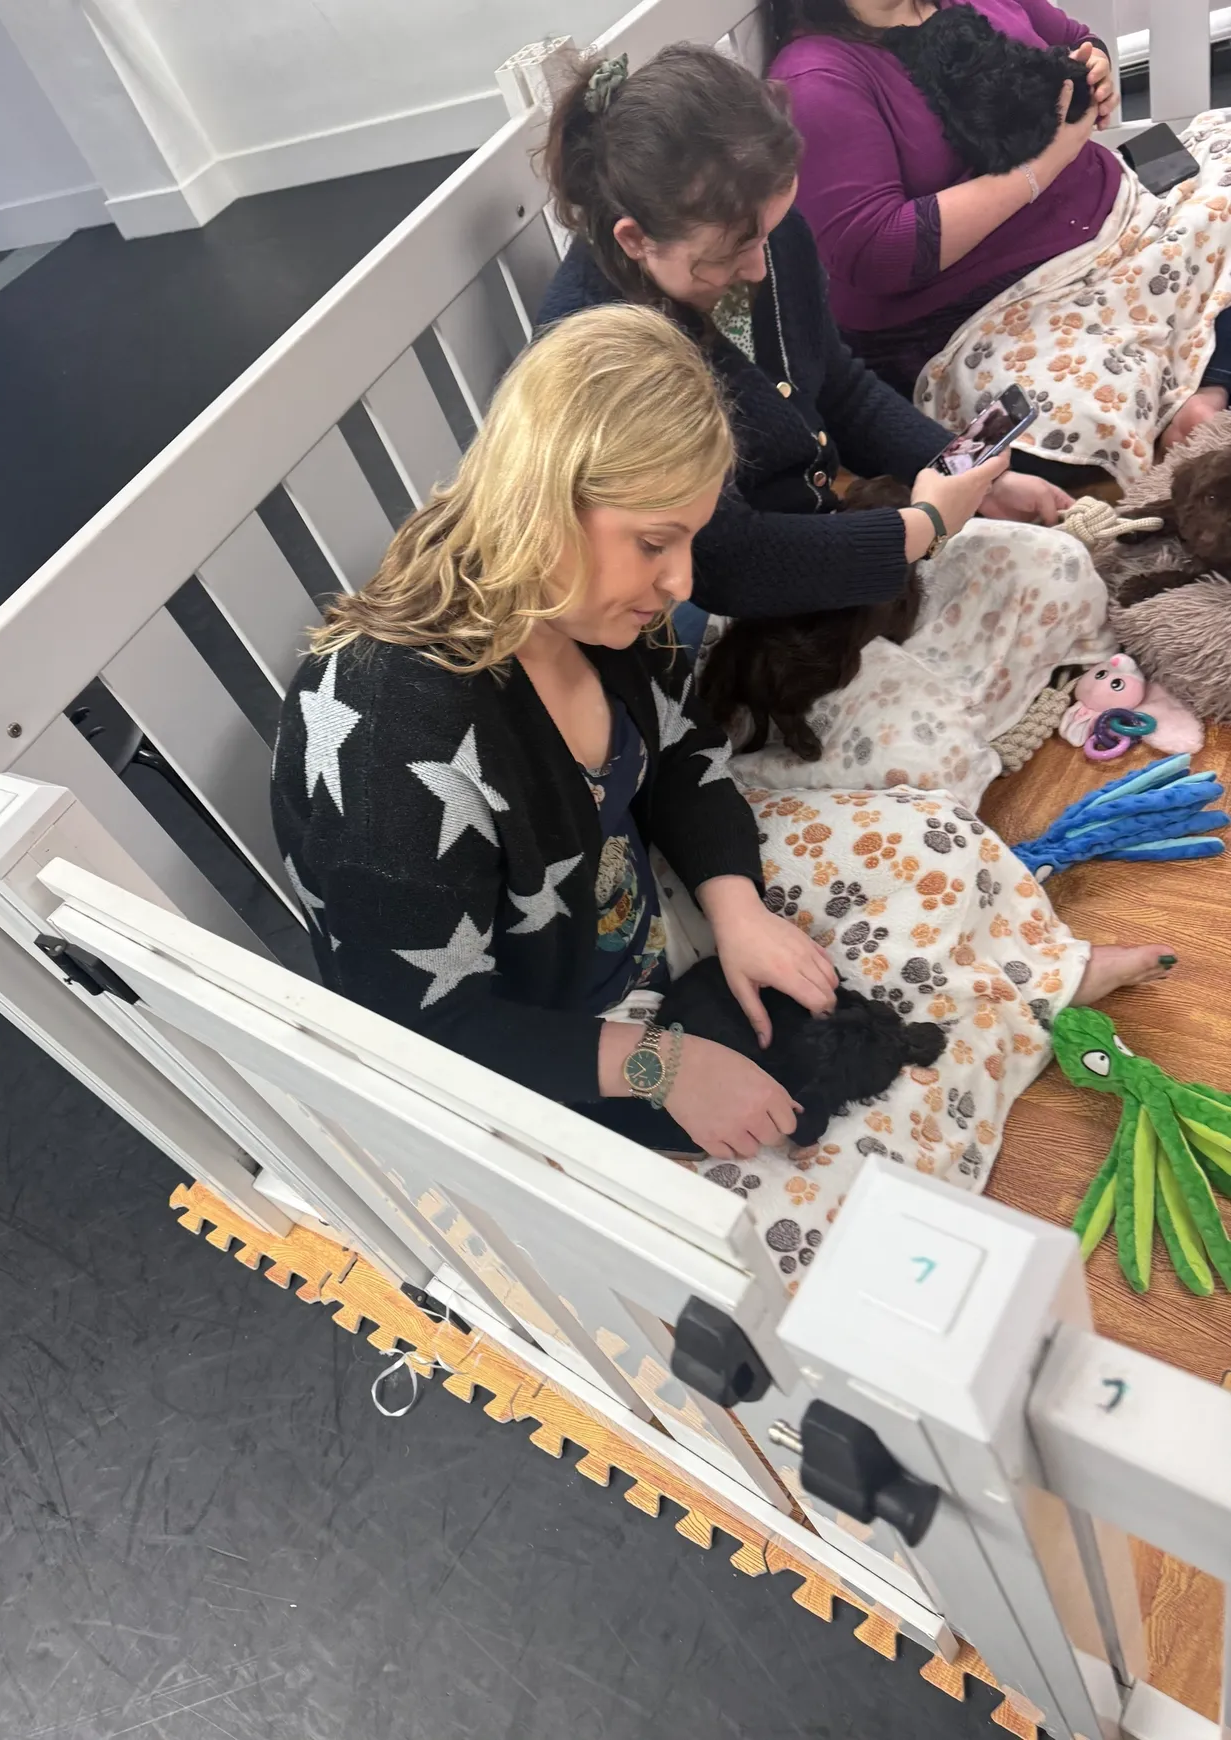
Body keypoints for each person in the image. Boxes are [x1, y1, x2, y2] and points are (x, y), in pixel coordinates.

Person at [270, 304, 1173, 1172]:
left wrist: (736, 909)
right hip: (537, 1039)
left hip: (627, 909)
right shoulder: (388, 739)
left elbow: (683, 755)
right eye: (655, 543)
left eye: (691, 542)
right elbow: (423, 1027)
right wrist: (657, 1063)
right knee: (844, 1150)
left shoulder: (593, 608)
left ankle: (1033, 977)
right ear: (539, 502)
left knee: (932, 838)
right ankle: (1008, 1011)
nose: (681, 582)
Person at [535, 42, 1072, 632]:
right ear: (635, 239)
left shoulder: (764, 230)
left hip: (825, 539)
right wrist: (920, 527)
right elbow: (720, 562)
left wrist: (971, 477)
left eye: (766, 231)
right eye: (728, 253)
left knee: (1053, 585)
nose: (759, 268)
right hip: (717, 606)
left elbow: (836, 385)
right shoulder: (604, 358)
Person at [769, 0, 1231, 467]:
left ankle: (1206, 389)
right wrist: (1042, 166)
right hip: (993, 310)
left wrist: (1097, 67)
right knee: (1069, 412)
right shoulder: (816, 78)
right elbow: (876, 250)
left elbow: (1074, 37)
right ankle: (1199, 386)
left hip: (1120, 217)